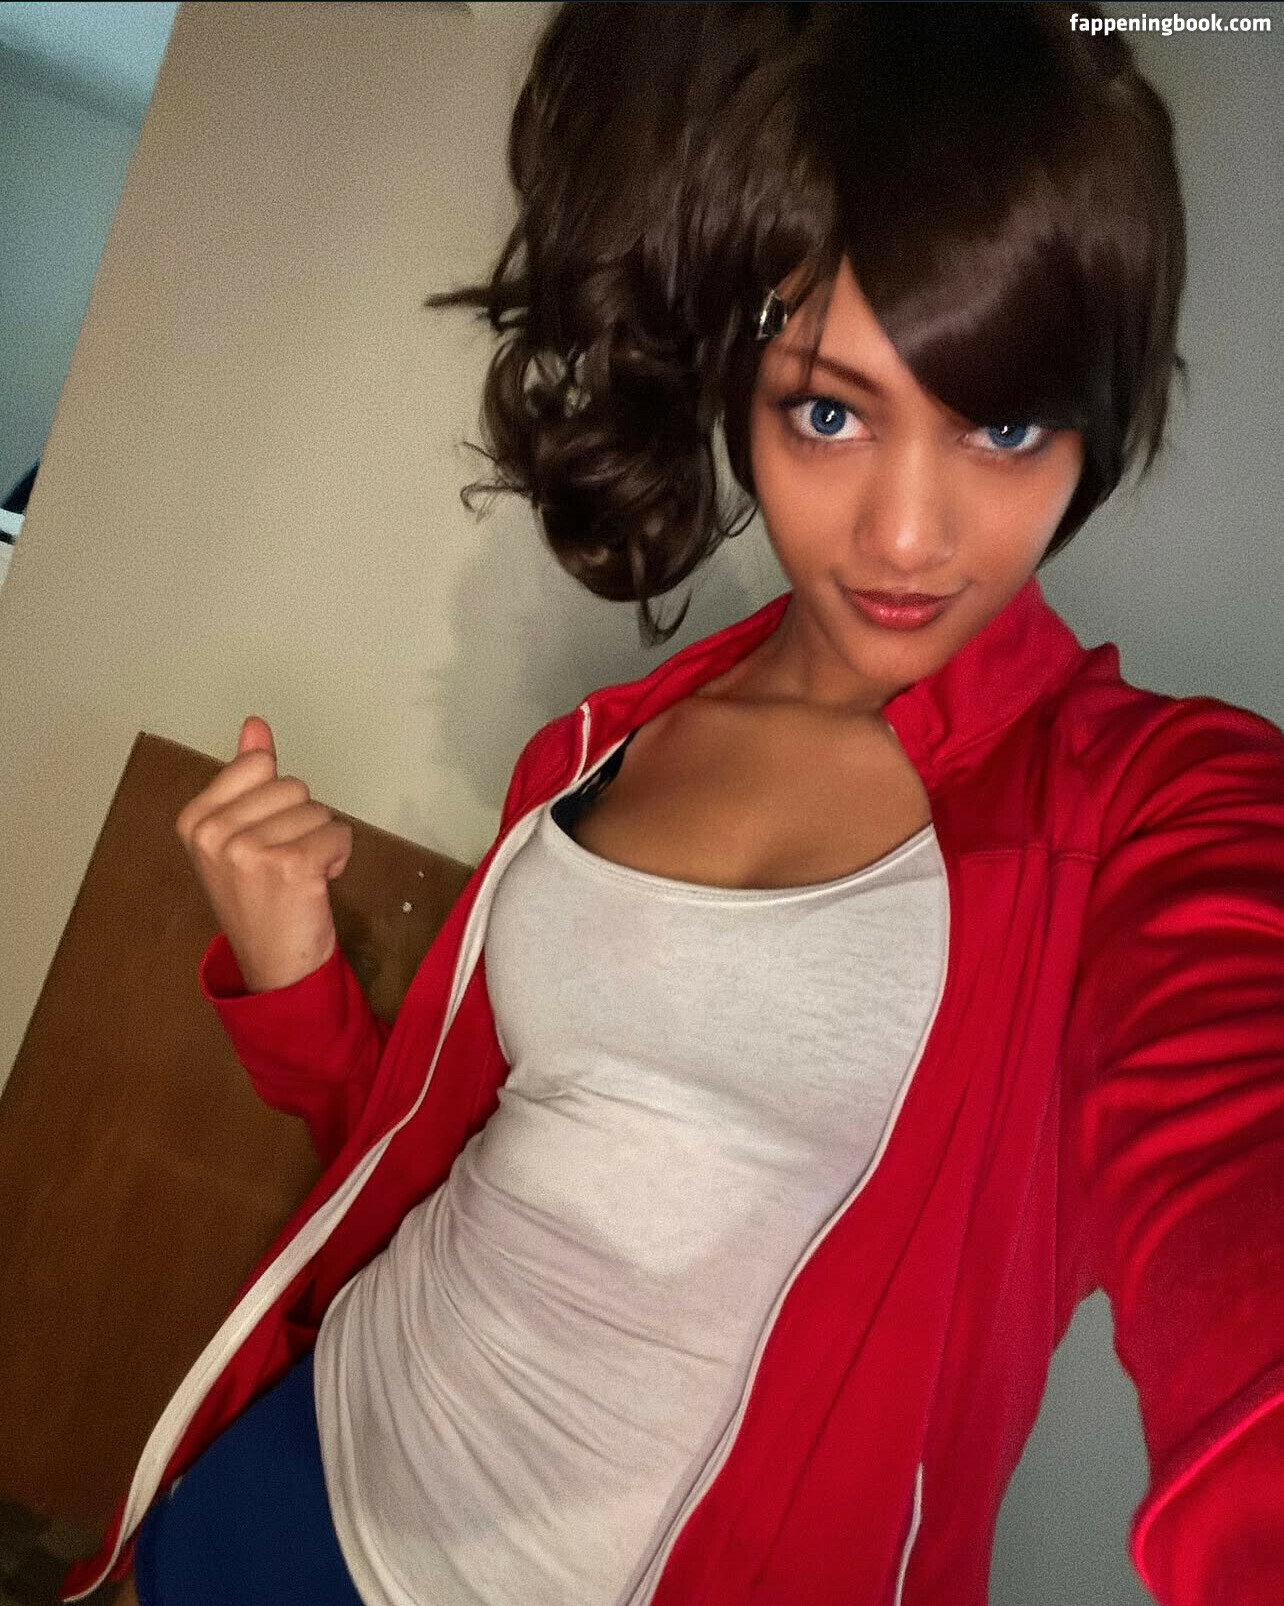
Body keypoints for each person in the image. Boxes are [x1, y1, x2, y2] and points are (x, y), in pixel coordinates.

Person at [66, 4, 1283, 1605]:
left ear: (1092, 425)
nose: (906, 533)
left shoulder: (1145, 810)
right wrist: (298, 991)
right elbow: (485, 1154)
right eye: (829, 410)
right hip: (285, 1482)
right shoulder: (601, 747)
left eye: (1000, 423)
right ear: (739, 387)